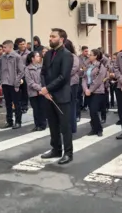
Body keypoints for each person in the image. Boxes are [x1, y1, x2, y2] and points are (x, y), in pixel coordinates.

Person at [39, 28, 74, 164]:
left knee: (65, 126)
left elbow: (63, 77)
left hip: (61, 95)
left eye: (53, 36)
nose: (50, 38)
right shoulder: (48, 54)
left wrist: (47, 88)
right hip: (48, 95)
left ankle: (68, 153)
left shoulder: (66, 55)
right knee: (53, 125)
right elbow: (43, 73)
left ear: (61, 39)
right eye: (50, 36)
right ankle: (56, 149)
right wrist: (45, 90)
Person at [82, 49, 107, 136]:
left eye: (91, 55)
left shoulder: (101, 67)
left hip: (97, 91)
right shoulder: (88, 65)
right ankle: (94, 128)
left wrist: (90, 90)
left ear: (96, 56)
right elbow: (84, 78)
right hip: (88, 90)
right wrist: (85, 89)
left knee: (94, 110)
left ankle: (99, 129)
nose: (89, 56)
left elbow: (98, 81)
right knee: (91, 111)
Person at [0, 39, 24, 129]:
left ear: (10, 47)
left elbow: (21, 71)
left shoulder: (17, 57)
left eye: (4, 47)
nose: (3, 49)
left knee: (16, 103)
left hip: (13, 83)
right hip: (5, 83)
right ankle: (9, 121)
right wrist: (1, 82)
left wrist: (16, 82)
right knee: (7, 103)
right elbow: (2, 70)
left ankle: (18, 121)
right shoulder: (3, 57)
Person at [24, 51, 46, 132]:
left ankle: (43, 124)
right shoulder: (27, 69)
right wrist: (39, 88)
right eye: (37, 56)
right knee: (36, 109)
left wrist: (42, 89)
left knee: (42, 108)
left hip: (42, 91)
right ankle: (37, 125)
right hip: (33, 92)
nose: (39, 57)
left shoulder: (41, 67)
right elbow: (30, 82)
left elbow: (43, 79)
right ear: (32, 58)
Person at [65, 40, 82, 132]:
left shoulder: (73, 56)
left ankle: (72, 127)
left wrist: (63, 75)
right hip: (65, 83)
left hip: (72, 83)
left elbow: (74, 69)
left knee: (72, 105)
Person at [15, 38, 31, 113]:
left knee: (24, 91)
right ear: (18, 45)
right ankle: (17, 106)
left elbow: (30, 64)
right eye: (20, 44)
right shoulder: (15, 53)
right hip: (16, 75)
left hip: (25, 75)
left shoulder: (29, 53)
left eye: (23, 44)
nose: (22, 45)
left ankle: (24, 106)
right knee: (16, 91)